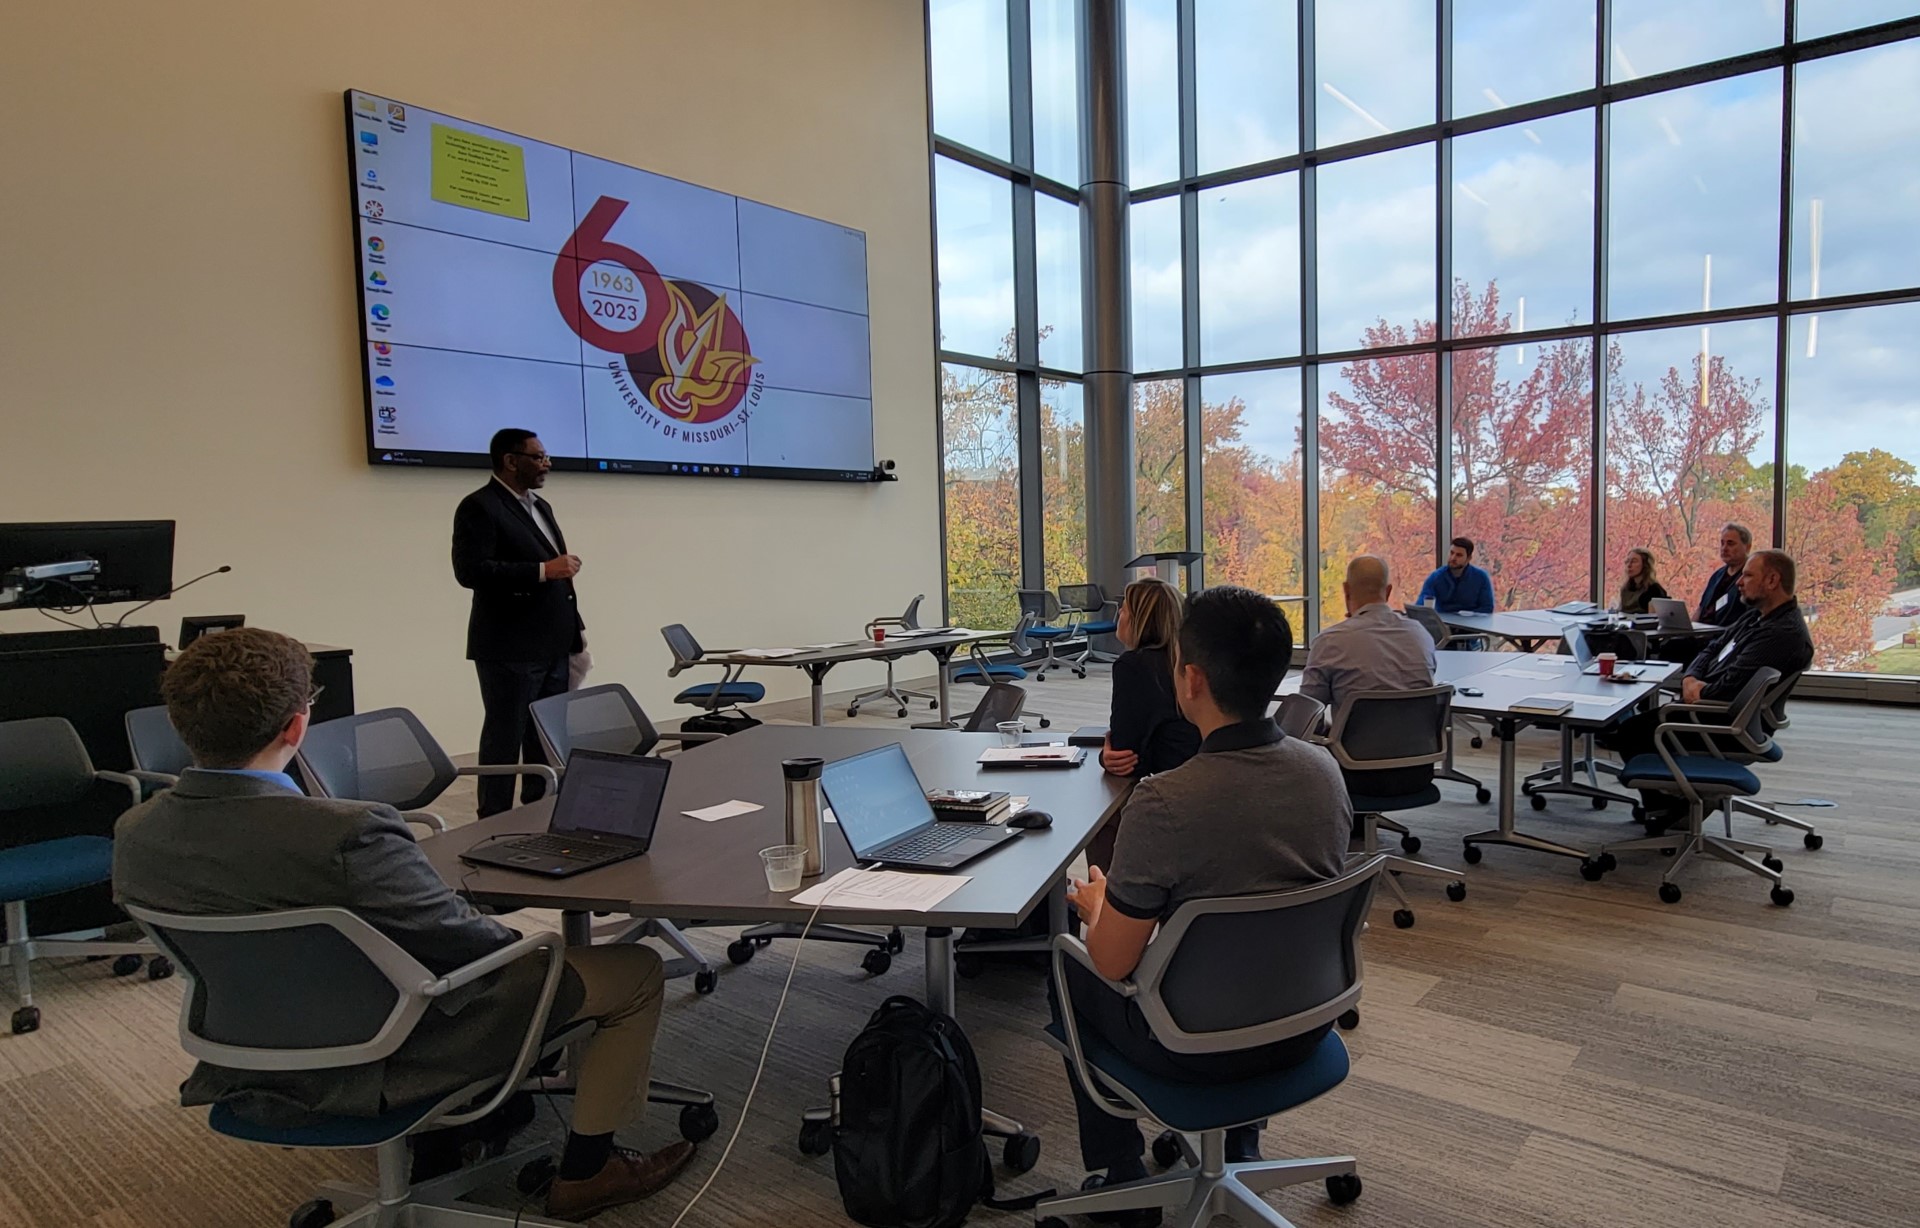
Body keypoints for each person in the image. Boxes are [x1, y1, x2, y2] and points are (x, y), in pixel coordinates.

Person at [112, 629, 693, 1220]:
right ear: (295, 726)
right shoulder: (349, 832)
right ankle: (589, 1174)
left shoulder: (135, 833)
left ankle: (466, 1128)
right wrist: (522, 941)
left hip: (252, 1045)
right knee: (633, 970)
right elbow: (469, 949)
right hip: (387, 1043)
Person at [1057, 588, 1351, 1226]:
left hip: (1190, 1045)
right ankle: (1241, 1144)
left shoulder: (1164, 802)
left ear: (1191, 678)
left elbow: (1112, 962)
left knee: (1068, 970)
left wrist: (1097, 906)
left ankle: (1119, 1177)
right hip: (1304, 1028)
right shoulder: (1325, 773)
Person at [1605, 550, 1813, 826]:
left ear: (1772, 580)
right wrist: (1691, 677)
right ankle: (1675, 804)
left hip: (1729, 722)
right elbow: (1711, 647)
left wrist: (1700, 691)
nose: (1740, 581)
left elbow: (1729, 688)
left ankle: (1670, 811)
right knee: (1637, 723)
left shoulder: (1780, 633)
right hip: (1719, 709)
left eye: (1749, 575)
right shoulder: (1759, 616)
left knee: (1632, 731)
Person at [452, 428, 585, 817]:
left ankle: (539, 808)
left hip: (554, 642)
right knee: (505, 735)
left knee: (544, 735)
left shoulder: (540, 506)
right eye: (538, 457)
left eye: (546, 457)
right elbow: (471, 571)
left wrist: (576, 632)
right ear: (511, 461)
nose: (546, 465)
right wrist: (542, 570)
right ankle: (491, 816)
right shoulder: (480, 506)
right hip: (510, 645)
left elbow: (561, 577)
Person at [1089, 579, 1201, 868]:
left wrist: (1106, 756)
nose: (1118, 616)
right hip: (1204, 780)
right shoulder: (1189, 661)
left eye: (1123, 609)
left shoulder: (1134, 666)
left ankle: (1106, 903)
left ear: (1140, 619)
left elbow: (1128, 758)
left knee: (1101, 814)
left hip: (1174, 795)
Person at [1300, 554, 1437, 715]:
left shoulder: (1330, 641)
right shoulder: (1421, 635)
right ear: (1388, 591)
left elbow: (1307, 712)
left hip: (1352, 740)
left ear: (1346, 590)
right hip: (1419, 738)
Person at [1416, 537, 1495, 615]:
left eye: (1459, 555)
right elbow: (1423, 602)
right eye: (1451, 553)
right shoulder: (1436, 577)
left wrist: (1467, 615)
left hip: (1470, 623)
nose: (1453, 558)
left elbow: (1487, 608)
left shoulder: (1481, 577)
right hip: (1443, 622)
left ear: (1468, 558)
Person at [1695, 523, 1752, 628]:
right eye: (1722, 543)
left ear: (1747, 547)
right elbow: (1700, 609)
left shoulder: (1750, 578)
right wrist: (1687, 630)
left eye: (1730, 544)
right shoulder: (1717, 576)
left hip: (1723, 636)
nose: (1724, 548)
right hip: (1700, 632)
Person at [1616, 547, 1670, 615]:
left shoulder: (1654, 590)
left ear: (1645, 565)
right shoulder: (1625, 589)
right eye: (1627, 561)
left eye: (1634, 561)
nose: (1629, 565)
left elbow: (1654, 619)